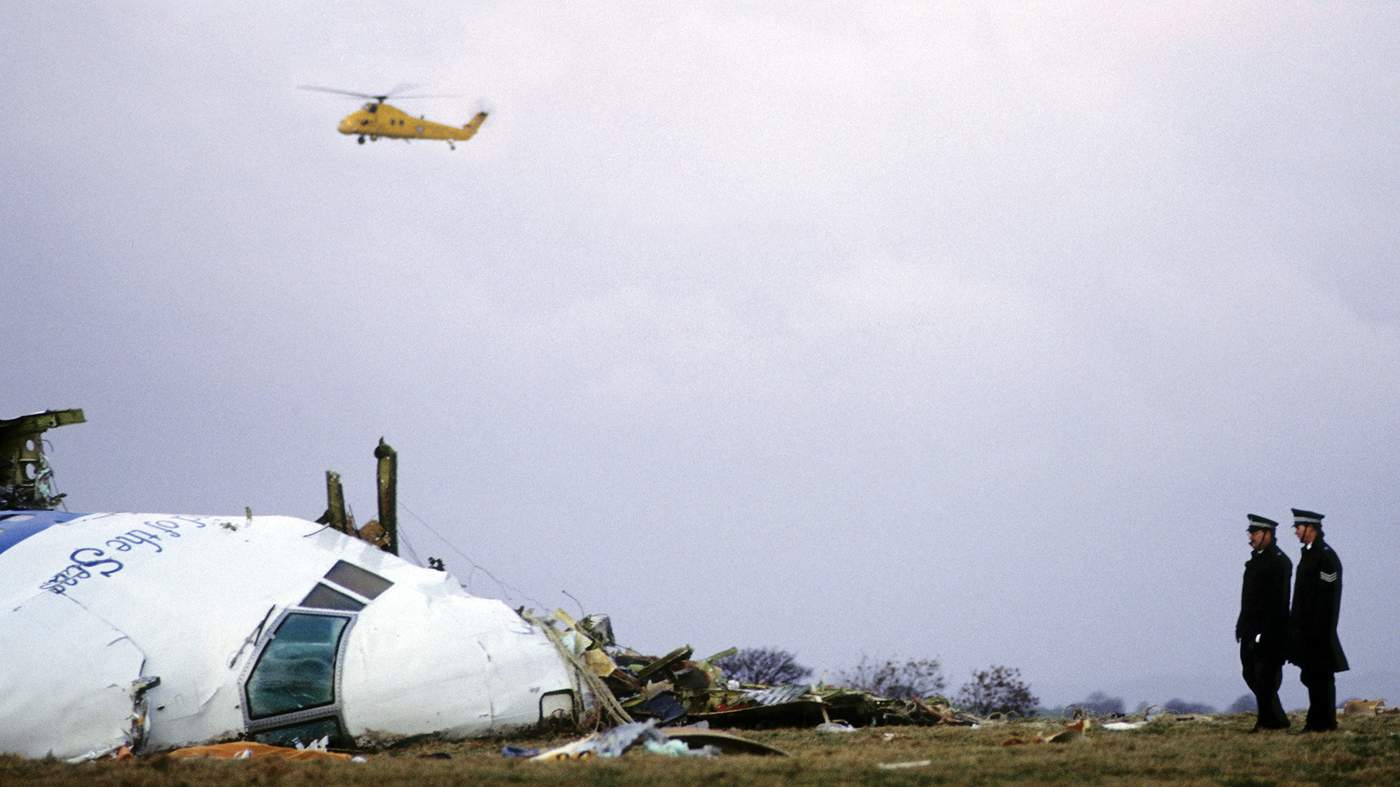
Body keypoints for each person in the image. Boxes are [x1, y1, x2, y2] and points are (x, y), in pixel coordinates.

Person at [1287, 508, 1349, 732]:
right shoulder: (1310, 554)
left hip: (1318, 632)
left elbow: (1328, 597)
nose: (1295, 531)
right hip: (1306, 632)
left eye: (1298, 527)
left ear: (1310, 528)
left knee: (1321, 678)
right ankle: (1317, 721)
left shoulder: (1324, 556)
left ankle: (1323, 722)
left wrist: (1319, 631)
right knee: (1312, 677)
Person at [1236, 513, 1292, 730]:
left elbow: (1278, 602)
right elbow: (1248, 599)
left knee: (1265, 677)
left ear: (1267, 534)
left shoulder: (1279, 562)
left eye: (1254, 532)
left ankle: (1270, 721)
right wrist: (1242, 625)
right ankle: (1273, 719)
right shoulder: (1255, 561)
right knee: (1251, 674)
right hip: (1250, 630)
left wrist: (1264, 632)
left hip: (1269, 632)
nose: (1250, 537)